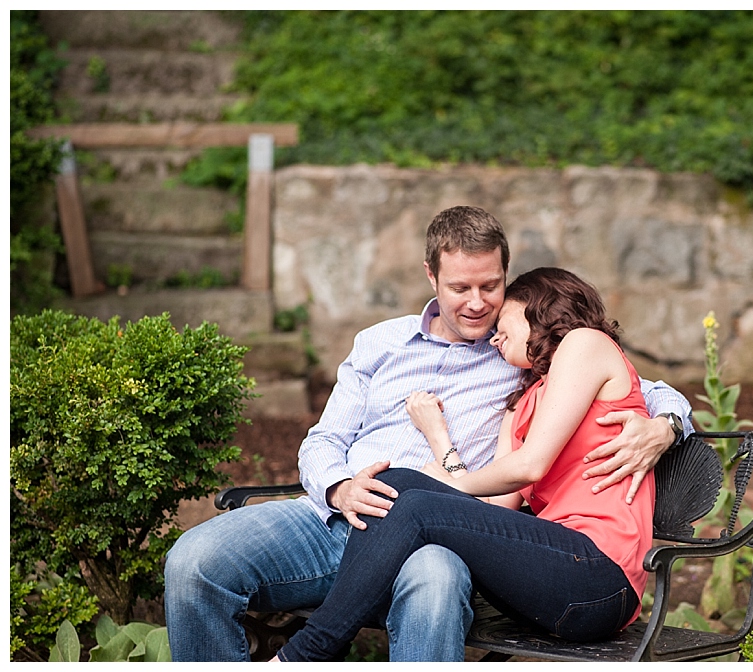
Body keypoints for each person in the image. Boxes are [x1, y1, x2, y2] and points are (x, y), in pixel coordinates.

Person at [164, 206, 693, 661]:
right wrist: (338, 488)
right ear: (431, 277)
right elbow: (322, 440)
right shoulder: (380, 343)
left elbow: (643, 388)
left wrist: (666, 425)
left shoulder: (526, 354)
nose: (478, 303)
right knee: (194, 562)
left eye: (491, 286)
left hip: (436, 542)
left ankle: (307, 653)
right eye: (460, 287)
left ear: (508, 278)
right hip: (335, 518)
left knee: (432, 575)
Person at [273, 267, 666, 661]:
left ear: (535, 306)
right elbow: (492, 511)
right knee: (398, 485)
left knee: (409, 494)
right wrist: (439, 439)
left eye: (503, 320)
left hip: (598, 577)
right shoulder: (521, 403)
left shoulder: (586, 344)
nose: (495, 336)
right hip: (549, 580)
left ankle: (307, 653)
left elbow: (531, 466)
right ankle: (321, 647)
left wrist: (668, 425)